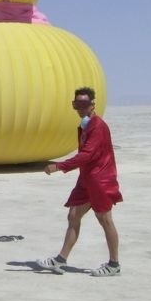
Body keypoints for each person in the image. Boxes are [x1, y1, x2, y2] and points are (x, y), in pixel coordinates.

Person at [37, 87, 123, 277]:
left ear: (93, 105)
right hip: (86, 180)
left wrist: (59, 166)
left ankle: (114, 264)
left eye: (84, 105)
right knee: (74, 215)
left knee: (105, 220)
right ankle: (60, 260)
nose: (80, 109)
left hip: (100, 179)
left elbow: (86, 156)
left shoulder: (98, 127)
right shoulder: (85, 126)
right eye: (76, 105)